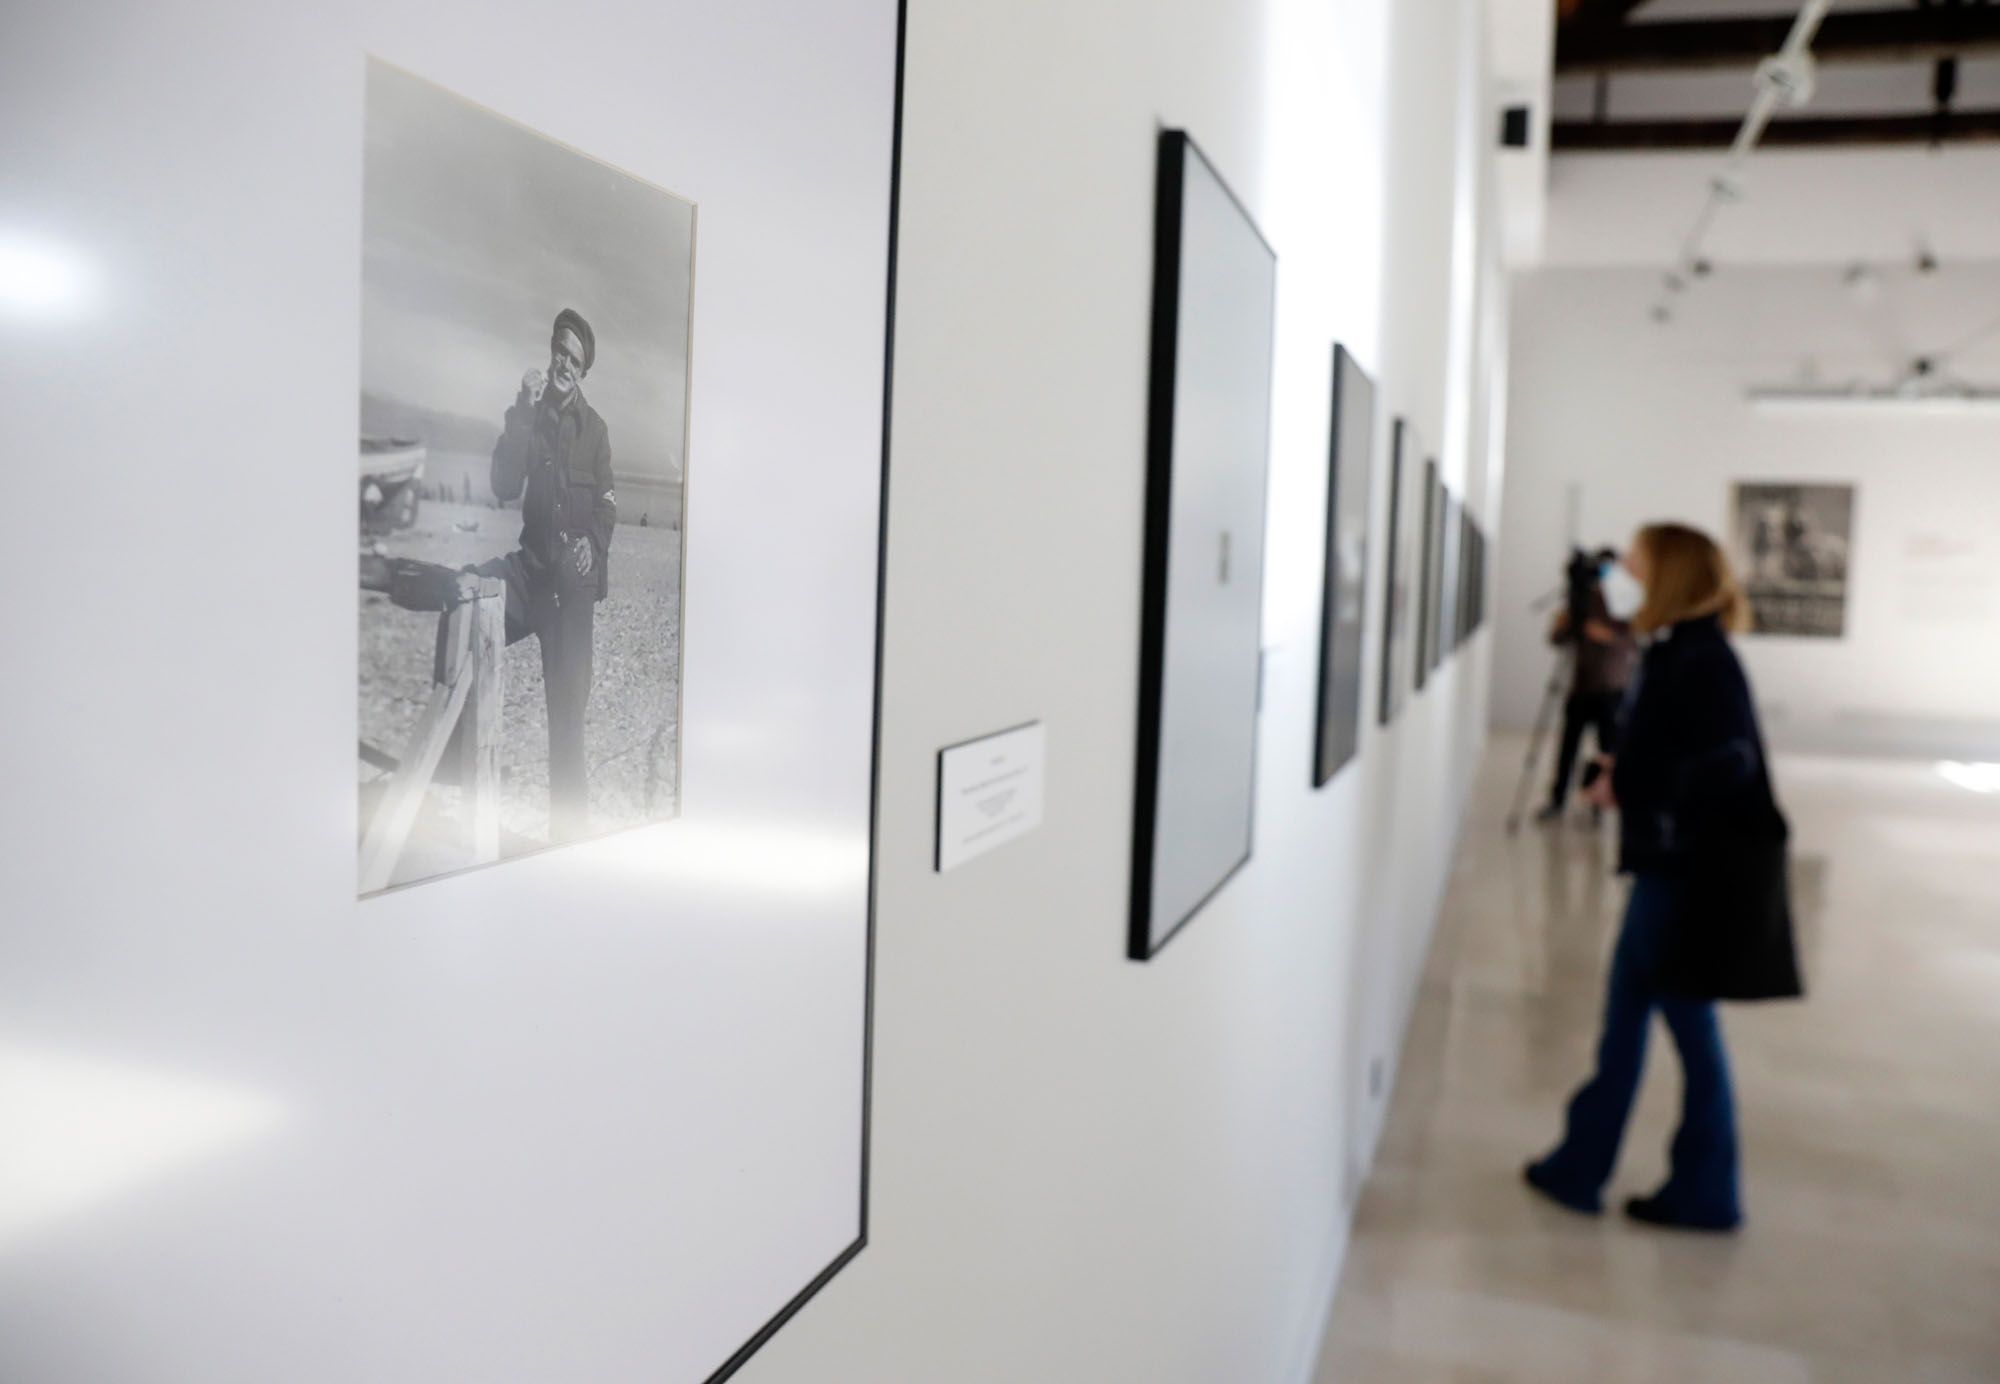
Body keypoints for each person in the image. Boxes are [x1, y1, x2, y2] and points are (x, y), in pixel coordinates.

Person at [1525, 522, 1800, 1233]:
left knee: (1683, 1030)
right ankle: (1584, 1167)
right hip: (1668, 868)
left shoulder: (1700, 659)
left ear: (1668, 577)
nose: (1623, 574)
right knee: (1629, 1026)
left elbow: (1725, 767)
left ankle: (1697, 1189)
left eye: (1637, 564)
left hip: (1685, 878)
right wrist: (1633, 776)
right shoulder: (1680, 650)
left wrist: (1633, 784)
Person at [479, 308, 616, 843]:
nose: (565, 364)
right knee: (471, 616)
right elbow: (502, 485)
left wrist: (592, 543)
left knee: (567, 723)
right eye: (560, 352)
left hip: (572, 595)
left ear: (584, 372)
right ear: (551, 351)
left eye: (575, 361)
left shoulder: (597, 431)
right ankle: (456, 779)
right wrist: (518, 412)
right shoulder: (529, 415)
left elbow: (607, 508)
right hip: (530, 574)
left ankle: (569, 841)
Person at [1536, 549, 1638, 822]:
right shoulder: (1581, 602)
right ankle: (1557, 799)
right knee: (1568, 747)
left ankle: (1599, 806)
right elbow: (1558, 640)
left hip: (1611, 687)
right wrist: (1564, 623)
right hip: (1580, 687)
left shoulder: (1624, 603)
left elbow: (1636, 641)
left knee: (1607, 750)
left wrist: (1609, 636)